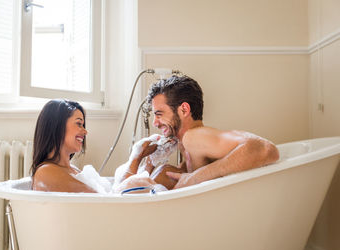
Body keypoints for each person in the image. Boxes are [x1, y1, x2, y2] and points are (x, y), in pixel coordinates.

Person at [119, 75, 279, 190]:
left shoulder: (194, 137)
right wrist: (146, 161)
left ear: (184, 109)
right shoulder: (186, 144)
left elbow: (266, 149)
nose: (155, 123)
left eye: (159, 114)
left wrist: (196, 177)